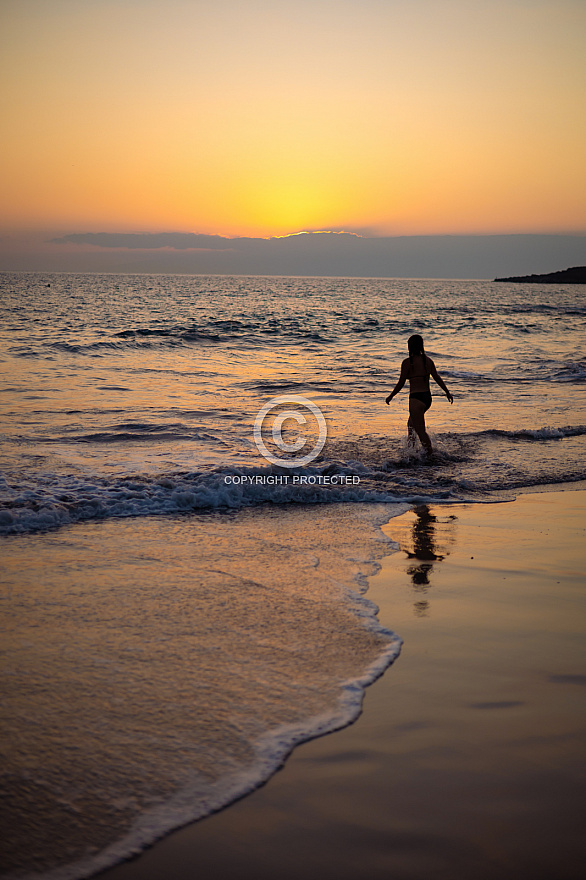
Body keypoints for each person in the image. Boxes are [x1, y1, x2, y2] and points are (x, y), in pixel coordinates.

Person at [385, 334, 453, 456]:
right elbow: (437, 378)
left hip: (416, 399)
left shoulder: (407, 363)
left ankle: (429, 456)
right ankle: (412, 451)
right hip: (427, 399)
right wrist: (447, 392)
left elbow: (401, 383)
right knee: (411, 425)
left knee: (420, 430)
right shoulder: (428, 361)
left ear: (410, 347)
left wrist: (391, 396)